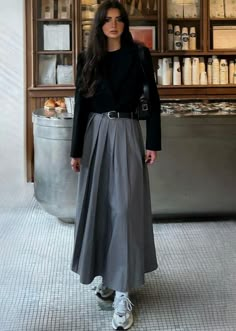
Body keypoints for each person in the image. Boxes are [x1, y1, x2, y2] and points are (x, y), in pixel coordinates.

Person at [70, 0, 161, 329]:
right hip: (95, 135)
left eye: (118, 19)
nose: (113, 25)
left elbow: (152, 98)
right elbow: (81, 104)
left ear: (125, 23)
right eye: (107, 20)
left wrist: (153, 141)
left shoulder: (138, 55)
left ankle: (123, 289)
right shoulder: (88, 58)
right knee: (101, 209)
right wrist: (76, 149)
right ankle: (108, 277)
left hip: (126, 132)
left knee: (124, 208)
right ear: (99, 24)